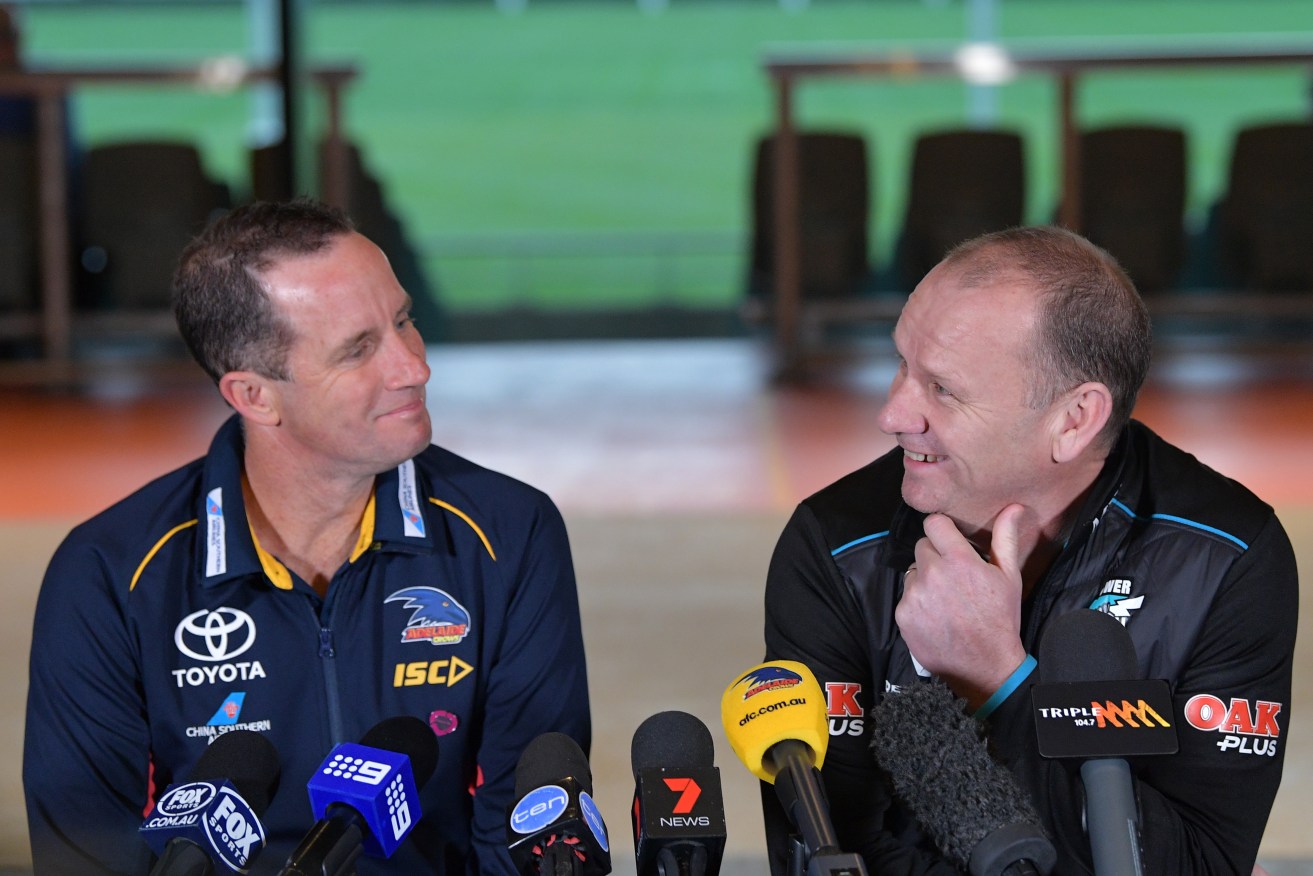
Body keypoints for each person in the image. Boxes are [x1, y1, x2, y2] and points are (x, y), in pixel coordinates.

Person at [23, 198, 591, 874]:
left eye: (403, 319)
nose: (414, 366)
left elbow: (525, 828)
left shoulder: (509, 532)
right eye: (358, 349)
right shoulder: (108, 573)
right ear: (254, 396)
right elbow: (85, 855)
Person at [760, 226, 1297, 874]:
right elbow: (829, 854)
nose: (892, 412)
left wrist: (1000, 685)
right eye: (902, 362)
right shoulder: (834, 547)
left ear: (1073, 421)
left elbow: (1201, 861)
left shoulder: (1225, 558)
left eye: (942, 389)